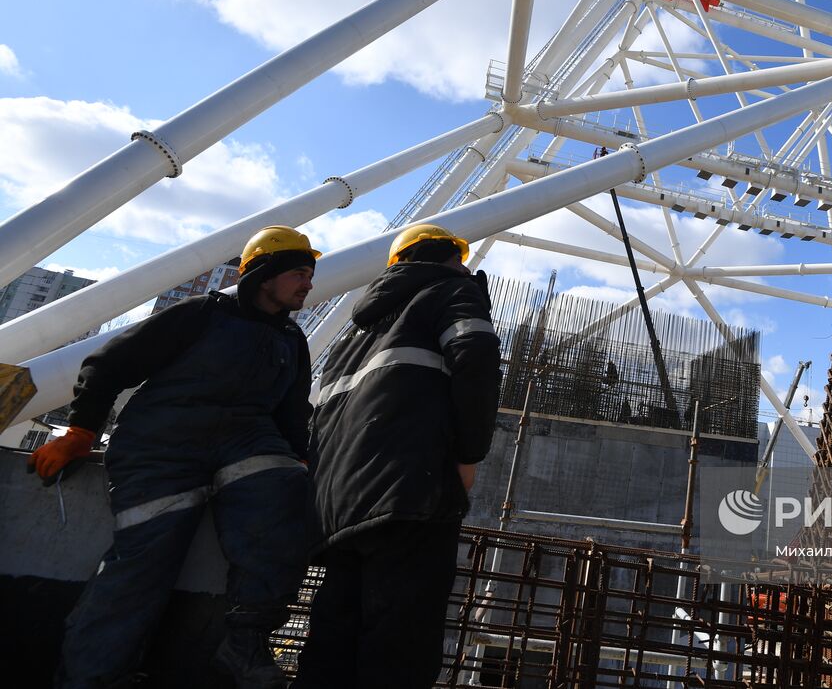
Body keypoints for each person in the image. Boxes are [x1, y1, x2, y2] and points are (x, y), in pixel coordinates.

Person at [29, 225, 321, 689]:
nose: (308, 284)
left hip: (244, 445)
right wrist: (82, 431)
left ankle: (244, 641)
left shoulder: (291, 340)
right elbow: (107, 365)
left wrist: (300, 463)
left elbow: (291, 415)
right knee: (142, 565)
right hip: (162, 447)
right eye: (299, 273)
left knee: (286, 496)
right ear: (265, 274)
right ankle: (91, 677)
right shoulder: (202, 315)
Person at [296, 223, 501, 689]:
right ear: (451, 257)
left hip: (337, 510)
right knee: (400, 648)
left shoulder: (353, 336)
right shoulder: (452, 291)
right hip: (410, 495)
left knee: (331, 644)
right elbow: (477, 356)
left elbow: (321, 420)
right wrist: (469, 453)